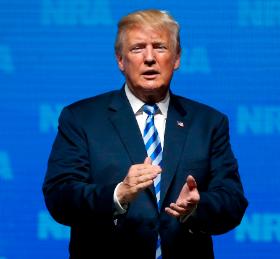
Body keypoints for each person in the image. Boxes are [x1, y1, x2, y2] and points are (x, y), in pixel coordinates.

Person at [42, 9, 248, 259]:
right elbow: (60, 197)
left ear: (177, 58)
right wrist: (118, 194)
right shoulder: (81, 119)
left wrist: (197, 206)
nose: (149, 58)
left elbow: (233, 202)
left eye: (160, 47)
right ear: (120, 60)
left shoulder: (209, 122)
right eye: (137, 48)